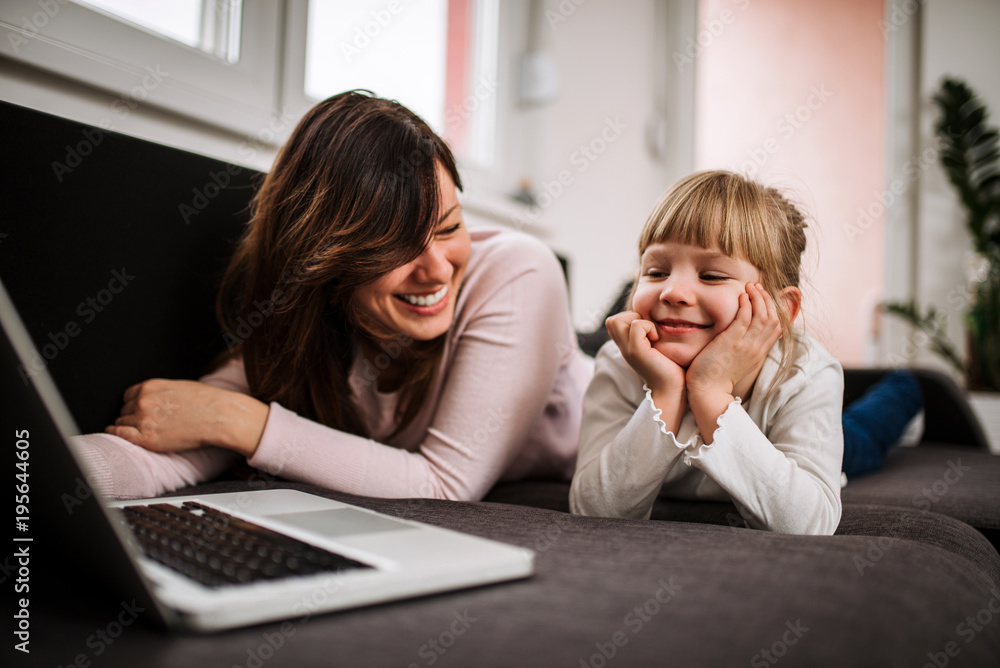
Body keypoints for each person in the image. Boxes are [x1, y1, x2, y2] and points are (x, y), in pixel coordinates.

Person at [74, 90, 593, 502]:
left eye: (450, 226)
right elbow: (175, 444)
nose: (436, 269)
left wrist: (242, 420)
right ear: (325, 258)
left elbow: (446, 486)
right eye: (396, 250)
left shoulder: (520, 271)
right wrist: (30, 472)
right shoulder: (305, 320)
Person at [569, 170, 846, 535]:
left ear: (781, 310)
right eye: (656, 271)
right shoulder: (620, 363)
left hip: (799, 443)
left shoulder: (805, 375)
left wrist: (710, 390)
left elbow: (810, 525)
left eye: (712, 276)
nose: (673, 292)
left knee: (863, 438)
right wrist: (666, 391)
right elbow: (592, 510)